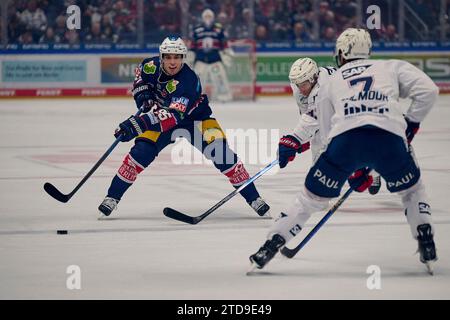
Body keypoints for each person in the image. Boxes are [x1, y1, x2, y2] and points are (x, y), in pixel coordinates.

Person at [249, 28, 439, 272]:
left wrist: (348, 164)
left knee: (309, 200)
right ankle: (425, 234)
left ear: (340, 53)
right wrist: (410, 126)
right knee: (412, 191)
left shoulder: (332, 81)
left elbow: (326, 129)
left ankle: (272, 243)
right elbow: (429, 91)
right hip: (389, 138)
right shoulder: (391, 67)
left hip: (346, 143)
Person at [98, 36, 270, 218]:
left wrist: (136, 125)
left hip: (195, 120)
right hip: (160, 119)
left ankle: (254, 198)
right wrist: (144, 97)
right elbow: (140, 83)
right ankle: (112, 197)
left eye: (177, 57)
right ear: (161, 57)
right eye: (168, 57)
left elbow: (172, 116)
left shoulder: (188, 80)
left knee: (223, 154)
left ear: (184, 58)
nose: (173, 62)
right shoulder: (148, 65)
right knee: (139, 153)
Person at [279, 57, 382, 194]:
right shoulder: (300, 86)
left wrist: (296, 138)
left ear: (313, 78)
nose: (300, 88)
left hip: (352, 112)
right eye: (297, 84)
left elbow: (316, 115)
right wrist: (305, 139)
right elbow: (308, 116)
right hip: (333, 110)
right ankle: (320, 188)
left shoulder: (324, 87)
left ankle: (373, 171)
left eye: (303, 84)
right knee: (318, 150)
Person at [190, 9, 234, 102]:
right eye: (206, 16)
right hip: (201, 59)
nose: (208, 18)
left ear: (213, 17)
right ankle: (195, 98)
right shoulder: (197, 30)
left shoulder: (218, 29)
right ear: (202, 17)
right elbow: (192, 45)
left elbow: (224, 43)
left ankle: (223, 96)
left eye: (209, 16)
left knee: (220, 78)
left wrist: (227, 52)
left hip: (215, 59)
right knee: (197, 80)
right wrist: (190, 56)